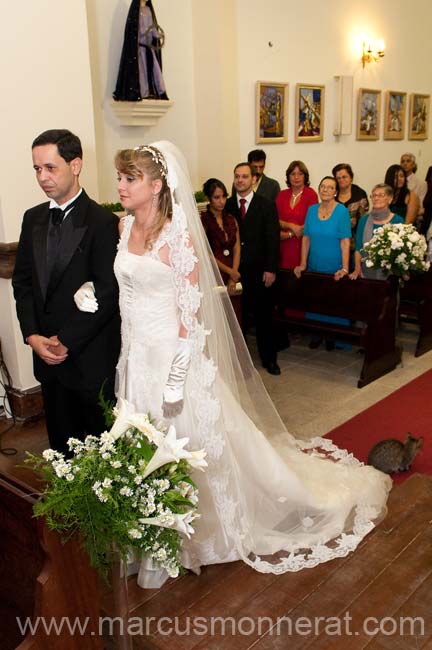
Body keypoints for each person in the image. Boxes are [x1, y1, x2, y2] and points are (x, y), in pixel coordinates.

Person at [100, 141, 390, 588]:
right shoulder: (122, 228)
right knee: (140, 444)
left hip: (171, 362)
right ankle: (147, 530)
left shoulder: (178, 239)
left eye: (129, 178)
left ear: (157, 185)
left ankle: (190, 537)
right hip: (135, 356)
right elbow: (125, 288)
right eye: (119, 177)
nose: (120, 185)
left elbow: (189, 316)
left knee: (186, 445)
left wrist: (176, 380)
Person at [12, 129, 121, 456]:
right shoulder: (32, 219)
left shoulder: (102, 221)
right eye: (37, 169)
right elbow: (23, 283)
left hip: (89, 357)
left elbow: (107, 291)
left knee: (105, 453)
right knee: (62, 448)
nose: (42, 177)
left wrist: (66, 340)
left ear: (75, 165)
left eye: (50, 167)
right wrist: (32, 335)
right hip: (46, 356)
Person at [226, 162, 281, 375]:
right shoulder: (228, 205)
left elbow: (273, 239)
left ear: (254, 179)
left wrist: (271, 268)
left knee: (264, 318)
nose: (240, 180)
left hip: (260, 271)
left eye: (245, 176)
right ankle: (240, 363)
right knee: (238, 318)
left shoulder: (266, 204)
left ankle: (270, 360)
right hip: (236, 271)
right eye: (237, 176)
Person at [294, 176, 352, 350]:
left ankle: (335, 337)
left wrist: (345, 267)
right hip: (315, 265)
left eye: (330, 187)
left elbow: (345, 241)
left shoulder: (342, 211)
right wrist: (303, 263)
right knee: (316, 301)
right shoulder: (312, 210)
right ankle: (318, 335)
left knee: (334, 303)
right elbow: (306, 238)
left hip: (334, 267)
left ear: (336, 191)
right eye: (323, 186)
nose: (325, 190)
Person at [200, 178, 242, 326]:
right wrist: (229, 271)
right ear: (208, 198)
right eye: (217, 197)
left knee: (234, 315)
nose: (221, 201)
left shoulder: (231, 219)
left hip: (232, 268)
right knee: (217, 317)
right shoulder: (203, 221)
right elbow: (205, 253)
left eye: (224, 196)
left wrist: (234, 272)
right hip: (213, 271)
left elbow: (237, 247)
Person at [113, 0, 168, 101]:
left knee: (154, 69)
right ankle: (143, 93)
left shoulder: (148, 10)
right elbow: (133, 30)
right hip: (139, 49)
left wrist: (157, 35)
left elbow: (152, 27)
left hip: (148, 48)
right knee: (141, 71)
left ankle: (158, 91)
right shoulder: (136, 11)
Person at [349, 184, 404, 281]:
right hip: (366, 273)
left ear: (390, 199)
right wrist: (357, 268)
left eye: (381, 195)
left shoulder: (398, 221)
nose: (376, 198)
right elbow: (358, 248)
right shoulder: (364, 220)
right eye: (373, 195)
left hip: (390, 275)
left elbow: (402, 251)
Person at [276, 160, 318, 269]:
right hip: (282, 246)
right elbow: (275, 220)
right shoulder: (281, 195)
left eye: (300, 174)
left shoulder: (311, 194)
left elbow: (312, 222)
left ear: (305, 176)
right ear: (288, 176)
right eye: (293, 174)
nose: (296, 177)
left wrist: (291, 234)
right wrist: (291, 227)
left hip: (303, 246)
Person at [332, 163, 369, 242]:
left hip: (355, 239)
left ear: (351, 178)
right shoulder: (332, 194)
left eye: (344, 177)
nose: (341, 180)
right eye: (338, 178)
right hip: (334, 239)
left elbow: (363, 220)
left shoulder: (360, 194)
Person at [400, 153, 427, 220]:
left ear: (414, 165)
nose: (405, 164)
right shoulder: (397, 181)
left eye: (408, 161)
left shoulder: (421, 183)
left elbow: (421, 207)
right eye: (402, 161)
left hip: (414, 217)